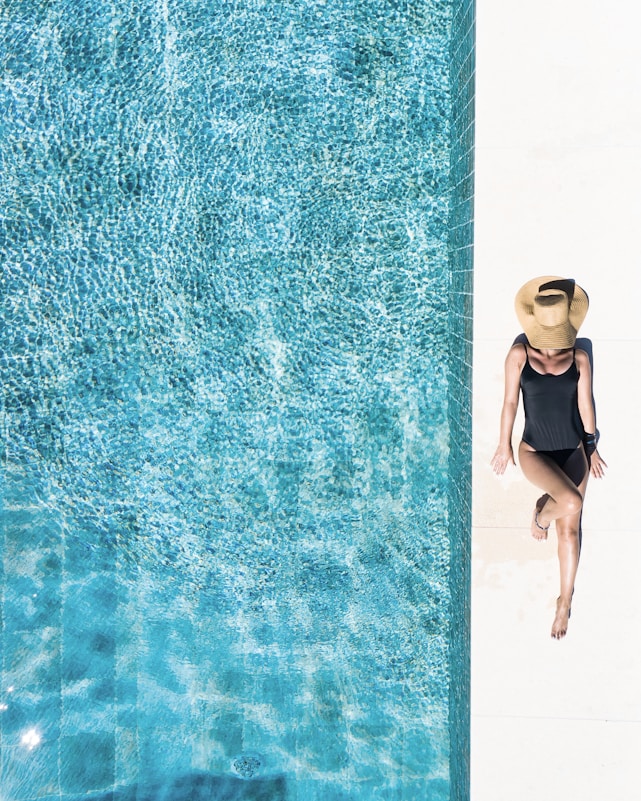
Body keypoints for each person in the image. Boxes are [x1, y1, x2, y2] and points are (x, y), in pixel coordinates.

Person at [490, 277, 607, 640]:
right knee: (569, 502)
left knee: (571, 528)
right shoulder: (519, 355)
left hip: (573, 450)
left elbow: (585, 404)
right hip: (535, 450)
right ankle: (542, 515)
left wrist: (591, 445)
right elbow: (511, 401)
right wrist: (503, 444)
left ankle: (564, 601)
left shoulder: (580, 357)